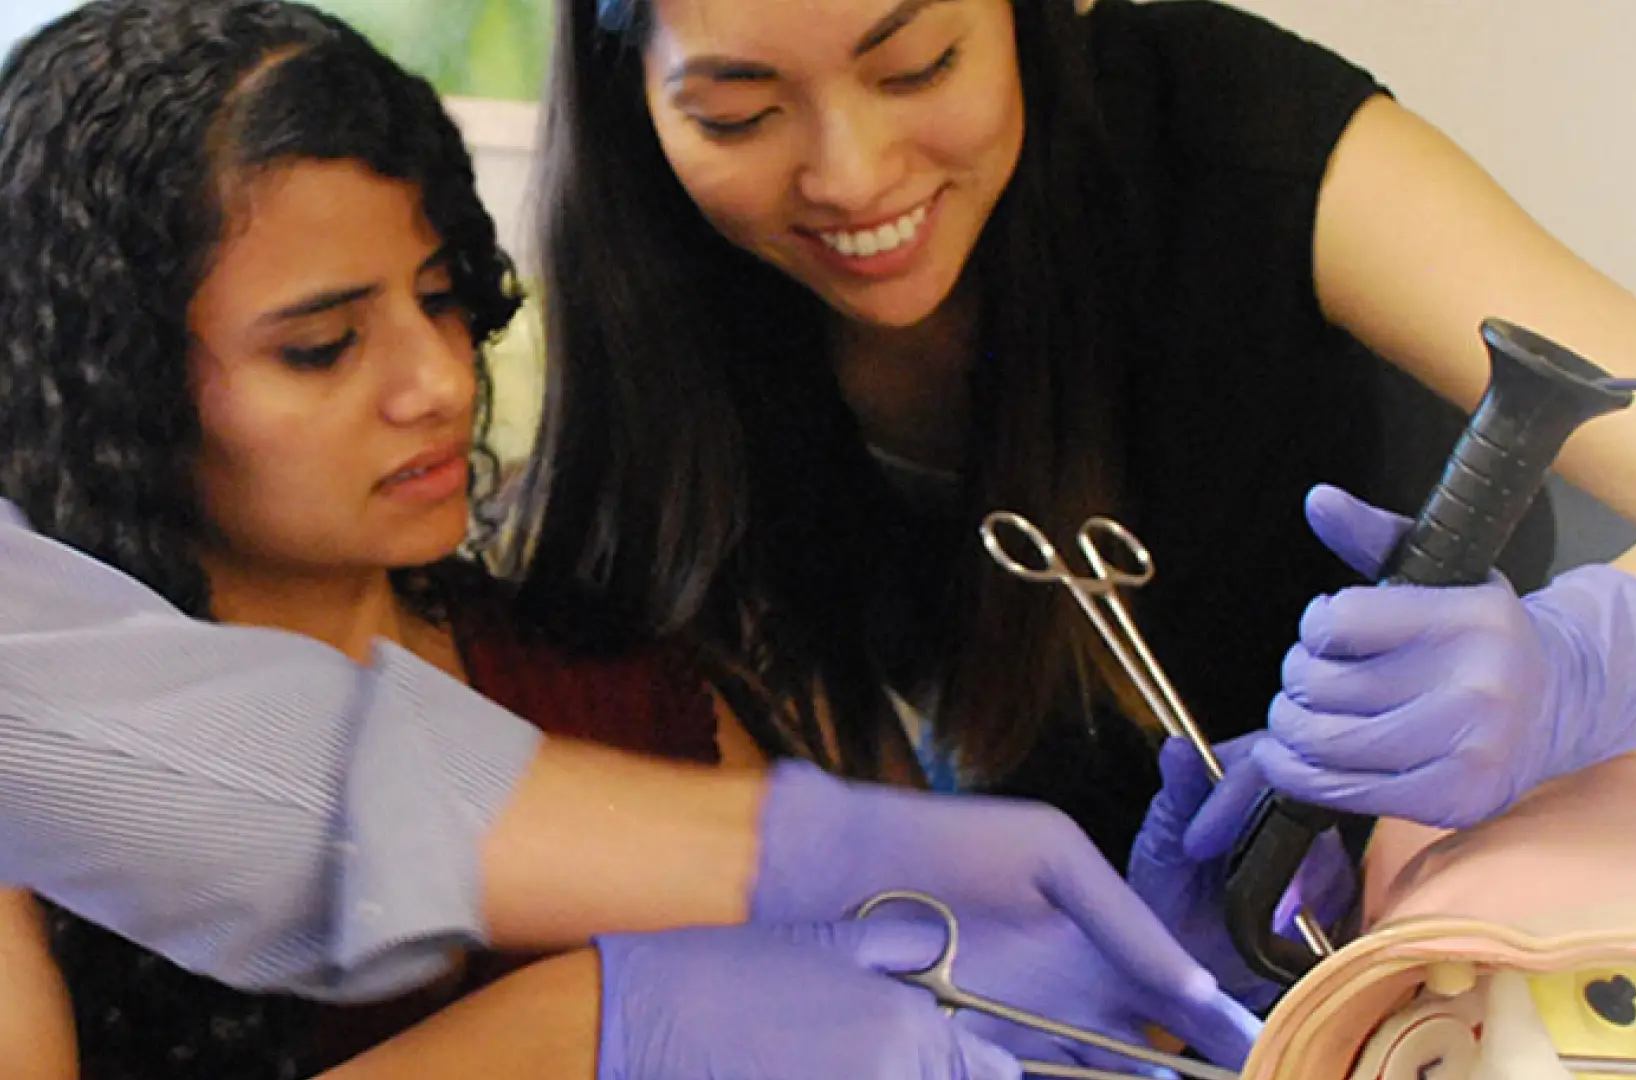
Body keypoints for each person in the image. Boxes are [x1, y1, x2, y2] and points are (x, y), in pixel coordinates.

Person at [0, 0, 1636, 1028]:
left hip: (1557, 933)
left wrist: (1588, 659)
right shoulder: (662, 368)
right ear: (625, 76)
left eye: (917, 62)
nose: (852, 177)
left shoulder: (1234, 134)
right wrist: (799, 914)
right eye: (740, 107)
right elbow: (212, 772)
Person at [0, 2, 1256, 1078]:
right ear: (106, 385)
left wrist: (1130, 985)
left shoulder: (622, 684)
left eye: (445, 299)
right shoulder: (34, 812)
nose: (436, 382)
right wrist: (586, 1022)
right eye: (321, 348)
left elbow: (929, 1009)